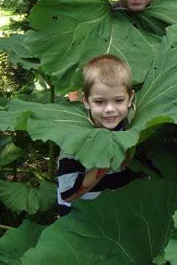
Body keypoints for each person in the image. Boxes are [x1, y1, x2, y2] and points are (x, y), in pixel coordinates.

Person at [57, 54, 138, 216]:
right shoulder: (74, 139)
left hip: (115, 218)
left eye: (118, 100)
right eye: (100, 102)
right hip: (80, 224)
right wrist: (109, 158)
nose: (109, 109)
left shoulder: (129, 130)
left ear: (130, 99)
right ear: (86, 101)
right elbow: (68, 195)